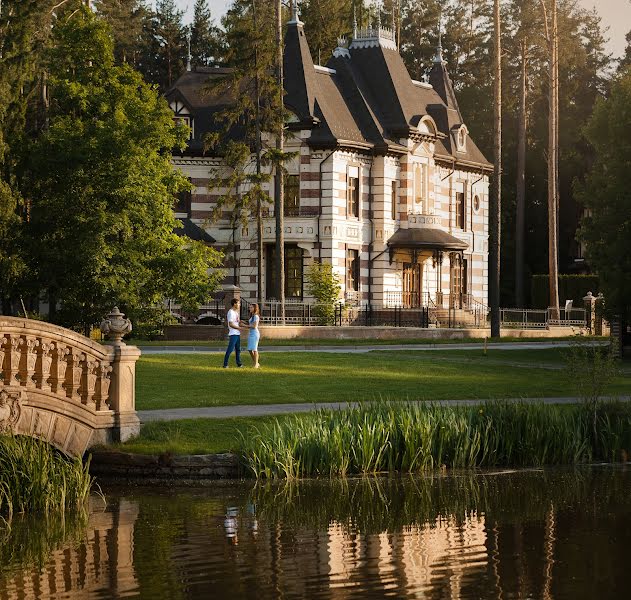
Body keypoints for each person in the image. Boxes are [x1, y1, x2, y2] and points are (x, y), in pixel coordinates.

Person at [223, 298, 243, 368]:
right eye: (238, 303)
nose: (239, 305)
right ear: (234, 304)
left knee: (238, 349)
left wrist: (246, 324)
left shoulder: (236, 312)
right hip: (233, 333)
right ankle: (225, 364)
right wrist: (239, 328)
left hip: (237, 333)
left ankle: (239, 363)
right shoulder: (230, 312)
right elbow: (231, 324)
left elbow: (238, 322)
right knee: (230, 349)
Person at [247, 303, 261, 368]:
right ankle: (256, 362)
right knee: (250, 349)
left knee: (255, 349)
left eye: (251, 307)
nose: (250, 308)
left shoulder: (256, 316)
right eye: (249, 307)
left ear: (255, 308)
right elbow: (250, 323)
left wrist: (244, 326)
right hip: (250, 334)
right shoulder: (252, 316)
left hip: (255, 334)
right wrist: (242, 322)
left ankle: (255, 364)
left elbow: (254, 326)